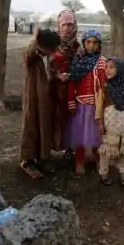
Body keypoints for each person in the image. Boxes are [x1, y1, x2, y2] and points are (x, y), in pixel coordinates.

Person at [20, 28, 61, 179]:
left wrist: (58, 76)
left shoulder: (47, 58)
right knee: (31, 127)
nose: (54, 51)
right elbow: (29, 53)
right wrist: (36, 41)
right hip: (33, 99)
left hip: (46, 99)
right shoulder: (32, 56)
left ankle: (43, 158)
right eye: (52, 49)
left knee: (44, 128)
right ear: (42, 46)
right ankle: (27, 161)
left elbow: (49, 74)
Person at [67, 30, 106, 176]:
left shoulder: (102, 62)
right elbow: (72, 82)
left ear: (99, 45)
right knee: (80, 136)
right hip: (81, 106)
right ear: (83, 43)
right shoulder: (77, 61)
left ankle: (98, 160)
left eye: (95, 42)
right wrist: (71, 101)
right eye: (88, 42)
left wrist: (105, 104)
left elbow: (105, 84)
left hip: (97, 106)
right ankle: (79, 162)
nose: (91, 45)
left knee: (98, 135)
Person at [95, 57, 124, 187]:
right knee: (106, 151)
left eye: (111, 67)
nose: (107, 70)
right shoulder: (105, 88)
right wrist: (100, 122)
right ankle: (104, 173)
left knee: (123, 151)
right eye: (106, 67)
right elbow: (99, 107)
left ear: (120, 70)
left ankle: (123, 173)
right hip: (110, 126)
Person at [49, 10, 80, 153]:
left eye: (70, 24)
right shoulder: (52, 45)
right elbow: (44, 66)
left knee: (71, 119)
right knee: (52, 118)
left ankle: (70, 149)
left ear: (74, 26)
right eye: (64, 24)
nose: (67, 28)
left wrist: (73, 75)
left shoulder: (79, 47)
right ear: (59, 26)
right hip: (52, 90)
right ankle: (48, 148)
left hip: (73, 90)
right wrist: (57, 75)